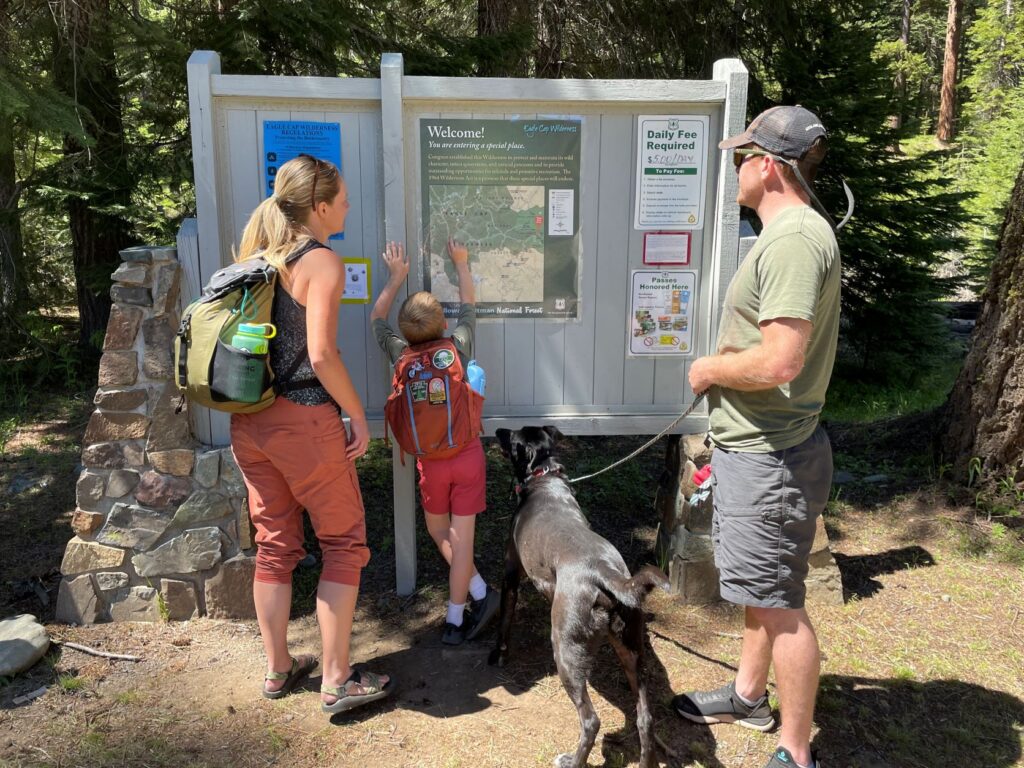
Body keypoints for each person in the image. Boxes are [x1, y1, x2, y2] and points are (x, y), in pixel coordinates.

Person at [671, 106, 841, 768]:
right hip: (759, 448)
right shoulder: (787, 233)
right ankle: (748, 694)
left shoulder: (795, 239)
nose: (737, 167)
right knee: (759, 588)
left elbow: (780, 363)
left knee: (779, 606)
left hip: (772, 455)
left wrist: (709, 368)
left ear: (768, 165)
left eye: (744, 156)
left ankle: (795, 751)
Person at [230, 154, 392, 715]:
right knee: (344, 544)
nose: (348, 206)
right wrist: (358, 414)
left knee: (274, 545)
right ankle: (337, 677)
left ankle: (279, 669)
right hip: (304, 420)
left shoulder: (258, 257)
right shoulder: (322, 261)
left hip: (250, 421)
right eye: (343, 199)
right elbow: (321, 354)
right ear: (320, 207)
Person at [370, 238, 499, 646]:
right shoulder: (457, 348)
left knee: (438, 530)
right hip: (467, 456)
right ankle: (472, 601)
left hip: (431, 463)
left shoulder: (400, 356)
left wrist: (395, 278)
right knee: (462, 539)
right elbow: (470, 306)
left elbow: (377, 319)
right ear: (443, 325)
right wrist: (461, 263)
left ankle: (459, 613)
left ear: (407, 333)